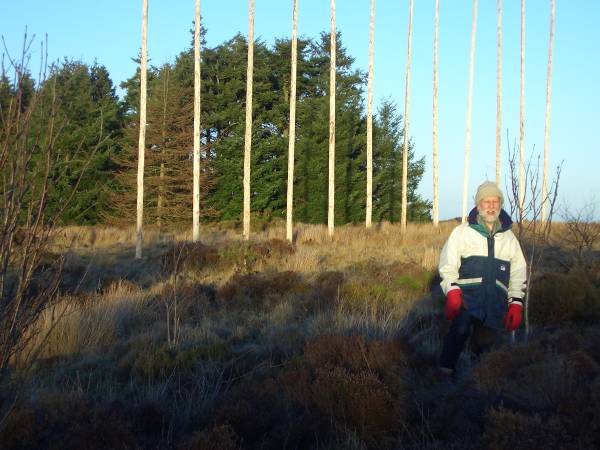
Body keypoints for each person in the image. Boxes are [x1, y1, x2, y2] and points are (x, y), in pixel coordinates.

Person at [438, 181, 527, 375]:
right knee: (459, 331)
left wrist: (515, 302)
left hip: (494, 304)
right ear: (478, 205)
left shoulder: (509, 238)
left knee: (484, 347)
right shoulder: (462, 233)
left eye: (495, 201)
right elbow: (448, 264)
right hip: (467, 300)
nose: (491, 206)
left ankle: (474, 382)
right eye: (486, 201)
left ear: (500, 204)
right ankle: (443, 374)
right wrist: (452, 291)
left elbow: (518, 272)